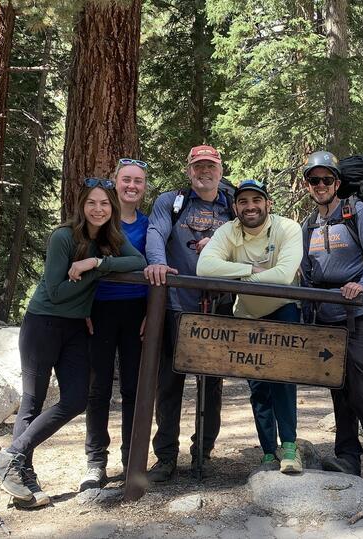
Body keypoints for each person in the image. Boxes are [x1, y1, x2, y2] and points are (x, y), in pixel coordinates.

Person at [0, 178, 147, 508]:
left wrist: (97, 264)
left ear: (111, 208)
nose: (98, 209)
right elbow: (56, 292)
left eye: (104, 203)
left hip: (75, 329)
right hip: (43, 323)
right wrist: (96, 273)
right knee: (32, 401)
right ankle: (22, 477)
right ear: (81, 206)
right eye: (92, 203)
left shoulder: (111, 238)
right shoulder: (63, 237)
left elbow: (139, 263)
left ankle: (9, 457)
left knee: (75, 399)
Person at [299, 150, 363, 490]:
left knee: (360, 386)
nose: (320, 185)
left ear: (337, 183)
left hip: (359, 314)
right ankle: (348, 457)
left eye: (326, 179)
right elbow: (307, 273)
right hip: (326, 318)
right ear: (308, 185)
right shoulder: (309, 224)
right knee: (338, 388)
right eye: (314, 180)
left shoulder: (356, 212)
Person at [196, 179, 304, 473]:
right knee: (257, 387)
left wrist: (237, 277)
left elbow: (284, 276)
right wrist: (250, 269)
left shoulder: (287, 228)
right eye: (243, 201)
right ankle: (268, 452)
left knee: (283, 380)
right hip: (247, 314)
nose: (250, 206)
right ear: (235, 207)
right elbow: (204, 267)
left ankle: (291, 449)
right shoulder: (228, 231)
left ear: (268, 204)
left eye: (256, 200)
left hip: (284, 311)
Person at [144, 145, 233, 482]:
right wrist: (157, 263)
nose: (204, 172)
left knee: (212, 385)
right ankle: (165, 457)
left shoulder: (232, 202)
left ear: (220, 170)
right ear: (188, 170)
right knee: (169, 384)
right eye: (198, 166)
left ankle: (203, 454)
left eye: (210, 166)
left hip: (218, 307)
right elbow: (156, 232)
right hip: (176, 305)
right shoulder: (172, 201)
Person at [81, 158, 149, 490]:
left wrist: (153, 311)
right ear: (115, 183)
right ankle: (95, 462)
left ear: (144, 187)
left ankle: (131, 459)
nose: (131, 186)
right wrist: (82, 307)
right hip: (99, 310)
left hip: (136, 310)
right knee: (98, 389)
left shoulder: (149, 225)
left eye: (138, 181)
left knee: (134, 388)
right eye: (126, 180)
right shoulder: (96, 219)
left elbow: (155, 269)